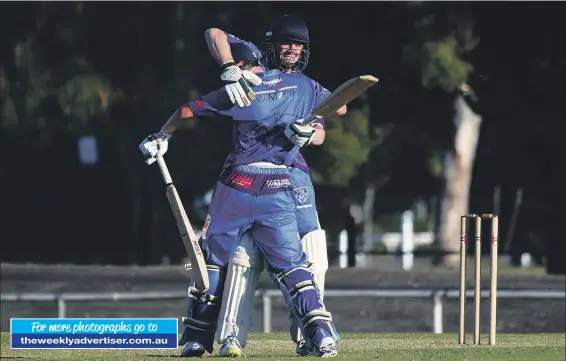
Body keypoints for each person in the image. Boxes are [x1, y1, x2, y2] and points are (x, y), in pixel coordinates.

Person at [139, 44, 340, 358]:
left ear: (240, 67)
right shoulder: (301, 85)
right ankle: (320, 333)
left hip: (238, 185)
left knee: (211, 260)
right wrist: (310, 128)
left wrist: (162, 135)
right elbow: (336, 107)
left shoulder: (239, 91)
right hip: (278, 185)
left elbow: (187, 110)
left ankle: (196, 336)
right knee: (292, 265)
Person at [204, 15, 346, 356]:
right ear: (273, 43)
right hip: (248, 176)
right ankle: (231, 338)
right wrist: (229, 67)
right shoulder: (251, 60)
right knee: (243, 260)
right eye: (287, 43)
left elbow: (336, 111)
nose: (293, 49)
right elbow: (213, 33)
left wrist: (312, 132)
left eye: (299, 45)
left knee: (314, 258)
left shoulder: (306, 86)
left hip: (294, 180)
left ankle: (310, 337)